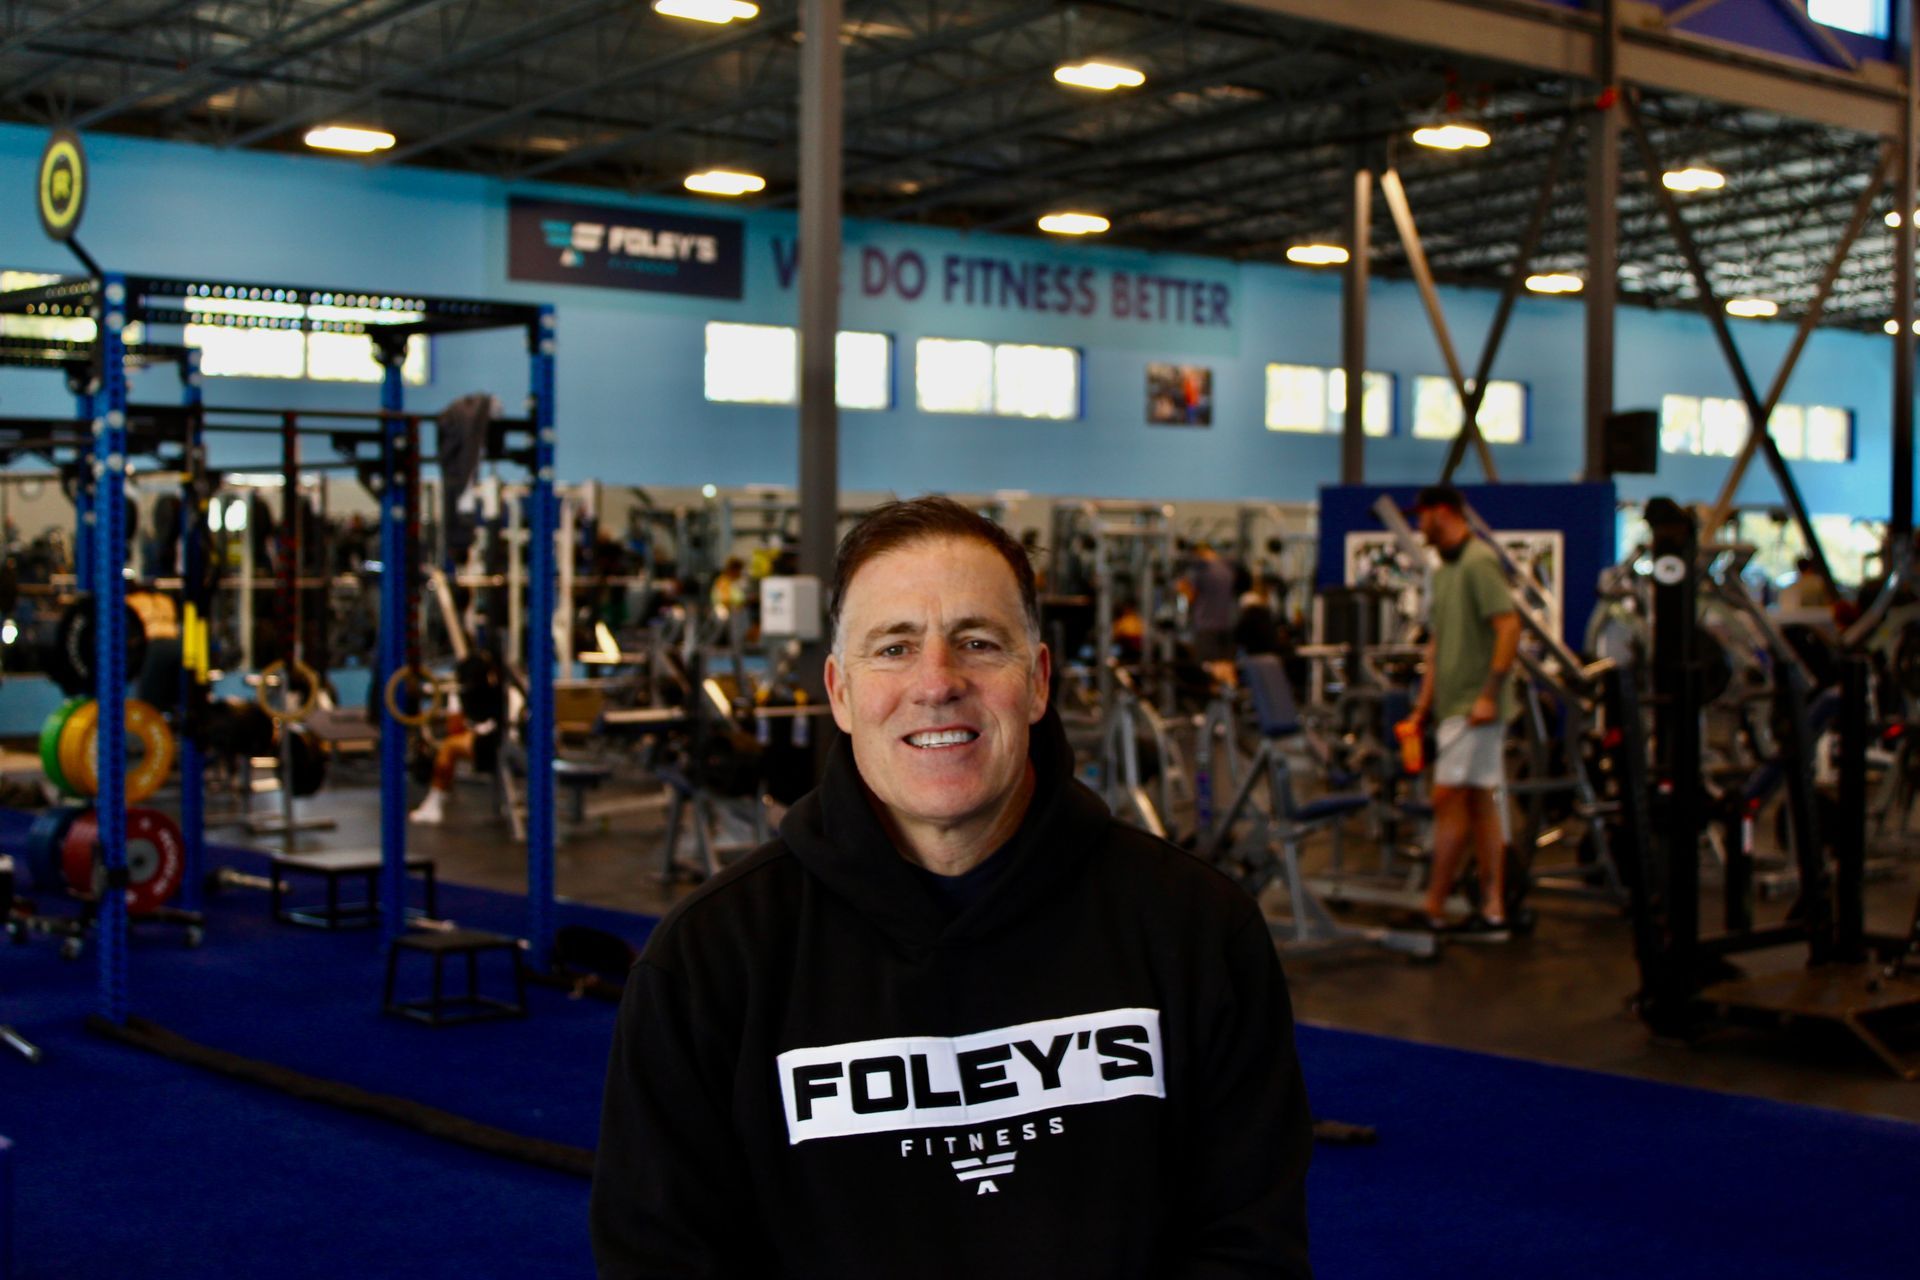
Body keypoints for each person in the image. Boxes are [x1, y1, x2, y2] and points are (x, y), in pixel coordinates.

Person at [592, 496, 1312, 1279]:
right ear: (839, 692)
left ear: (1037, 682)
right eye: (894, 648)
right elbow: (660, 1260)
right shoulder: (709, 961)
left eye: (977, 642)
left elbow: (1249, 1248)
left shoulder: (1198, 932)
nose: (937, 682)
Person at [1408, 485, 1519, 941]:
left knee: (1448, 801)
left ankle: (1434, 906)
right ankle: (1493, 908)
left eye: (1422, 517)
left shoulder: (1478, 562)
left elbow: (1509, 627)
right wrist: (1420, 709)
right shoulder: (1443, 572)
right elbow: (1436, 646)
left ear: (1442, 513)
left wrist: (1489, 693)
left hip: (1475, 708)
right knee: (1478, 802)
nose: (1419, 526)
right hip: (1453, 707)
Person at [1180, 541, 1239, 687]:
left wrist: (1182, 587)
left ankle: (1215, 702)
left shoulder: (1202, 569)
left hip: (1206, 625)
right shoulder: (1227, 568)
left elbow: (1190, 596)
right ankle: (1230, 700)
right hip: (1226, 624)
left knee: (1208, 668)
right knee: (1225, 666)